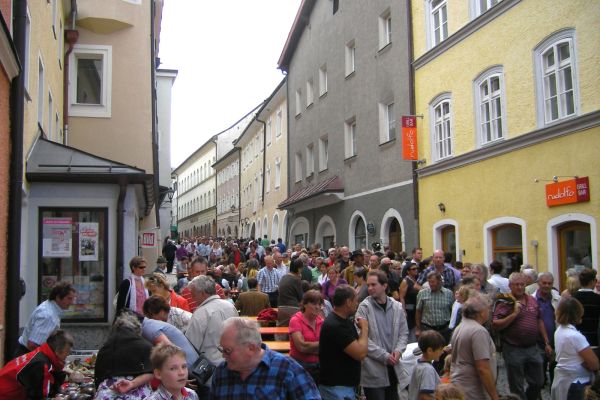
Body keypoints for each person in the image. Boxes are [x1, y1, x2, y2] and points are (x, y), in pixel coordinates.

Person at [210, 317, 321, 399]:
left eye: (227, 350)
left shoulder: (287, 369)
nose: (223, 355)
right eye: (222, 349)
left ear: (251, 348)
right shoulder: (221, 372)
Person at [492, 272, 552, 400]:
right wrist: (513, 314)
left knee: (538, 381)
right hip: (513, 347)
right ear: (510, 285)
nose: (519, 287)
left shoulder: (532, 299)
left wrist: (546, 342)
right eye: (516, 285)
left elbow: (539, 320)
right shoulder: (505, 301)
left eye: (522, 284)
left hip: (532, 347)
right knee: (517, 385)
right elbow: (496, 324)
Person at [357, 270, 409, 400]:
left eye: (373, 285)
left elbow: (404, 333)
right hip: (373, 371)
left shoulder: (397, 307)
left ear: (384, 286)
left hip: (393, 369)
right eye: (368, 285)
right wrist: (384, 356)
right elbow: (362, 338)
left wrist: (398, 350)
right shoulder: (364, 308)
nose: (370, 288)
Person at [185, 275, 238, 396]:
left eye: (193, 294)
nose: (192, 298)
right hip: (234, 366)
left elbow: (191, 346)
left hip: (209, 374)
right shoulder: (230, 306)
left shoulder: (201, 313)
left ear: (203, 293)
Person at [319, 285, 369, 399]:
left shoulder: (343, 321)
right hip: (337, 389)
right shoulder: (336, 326)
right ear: (348, 302)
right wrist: (365, 328)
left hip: (343, 388)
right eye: (355, 301)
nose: (357, 304)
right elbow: (360, 353)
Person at [450, 293, 499, 400]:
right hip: (473, 391)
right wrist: (495, 396)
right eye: (488, 308)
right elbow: (482, 368)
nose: (490, 311)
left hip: (460, 386)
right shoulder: (478, 331)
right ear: (481, 312)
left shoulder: (461, 326)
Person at [94, 311, 154, 399]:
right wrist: (133, 383)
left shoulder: (105, 347)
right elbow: (151, 372)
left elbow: (98, 377)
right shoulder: (146, 346)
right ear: (138, 329)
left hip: (108, 392)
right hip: (138, 393)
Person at [0, 330, 73, 399]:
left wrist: (65, 375)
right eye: (67, 352)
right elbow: (39, 396)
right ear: (58, 351)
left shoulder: (42, 352)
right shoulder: (41, 364)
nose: (68, 355)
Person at [551, 297, 600, 400]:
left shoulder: (559, 331)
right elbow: (595, 364)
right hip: (577, 382)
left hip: (562, 379)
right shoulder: (575, 336)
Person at [16, 281, 76, 357]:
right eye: (69, 298)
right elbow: (32, 344)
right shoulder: (49, 315)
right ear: (58, 297)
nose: (72, 302)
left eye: (73, 299)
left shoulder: (49, 306)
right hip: (28, 355)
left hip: (25, 352)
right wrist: (51, 358)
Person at [141, 298, 199, 372]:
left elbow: (171, 350)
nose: (151, 319)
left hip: (189, 357)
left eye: (151, 315)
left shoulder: (177, 313)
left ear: (161, 312)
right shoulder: (158, 323)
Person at [289, 289, 324, 383]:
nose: (317, 307)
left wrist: (311, 347)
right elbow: (301, 346)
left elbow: (327, 347)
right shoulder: (296, 320)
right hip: (300, 366)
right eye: (314, 304)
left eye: (319, 304)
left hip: (318, 367)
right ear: (304, 304)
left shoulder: (321, 321)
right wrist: (321, 345)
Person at [534, 271, 560, 386]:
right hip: (537, 342)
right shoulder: (532, 299)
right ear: (538, 283)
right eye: (544, 283)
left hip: (555, 340)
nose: (547, 286)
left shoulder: (557, 299)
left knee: (555, 371)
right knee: (539, 374)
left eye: (550, 283)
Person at [415, 271, 454, 343]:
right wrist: (418, 329)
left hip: (444, 329)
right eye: (429, 282)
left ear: (439, 281)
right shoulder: (422, 293)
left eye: (433, 282)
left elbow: (452, 311)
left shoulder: (449, 293)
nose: (430, 284)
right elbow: (418, 311)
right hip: (427, 329)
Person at [408, 330, 445, 400]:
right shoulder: (428, 370)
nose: (442, 352)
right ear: (430, 351)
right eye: (440, 349)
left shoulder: (418, 364)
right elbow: (425, 396)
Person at [573, 268, 600, 347]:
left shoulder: (573, 298)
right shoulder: (598, 299)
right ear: (592, 282)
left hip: (576, 341)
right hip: (594, 341)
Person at [399, 260, 421, 343]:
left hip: (416, 308)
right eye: (413, 269)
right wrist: (403, 311)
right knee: (411, 330)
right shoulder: (405, 281)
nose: (416, 270)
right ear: (408, 271)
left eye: (416, 268)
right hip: (409, 309)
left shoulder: (416, 280)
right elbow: (401, 297)